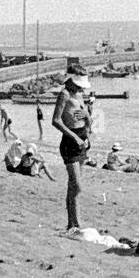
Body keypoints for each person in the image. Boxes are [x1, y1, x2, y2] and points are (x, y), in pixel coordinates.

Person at [53, 70, 93, 233]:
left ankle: (73, 223)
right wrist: (75, 138)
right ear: (72, 81)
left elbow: (87, 118)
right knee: (77, 185)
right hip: (71, 140)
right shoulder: (64, 94)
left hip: (83, 139)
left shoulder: (79, 94)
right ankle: (73, 222)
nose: (81, 89)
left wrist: (87, 125)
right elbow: (55, 120)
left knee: (73, 186)